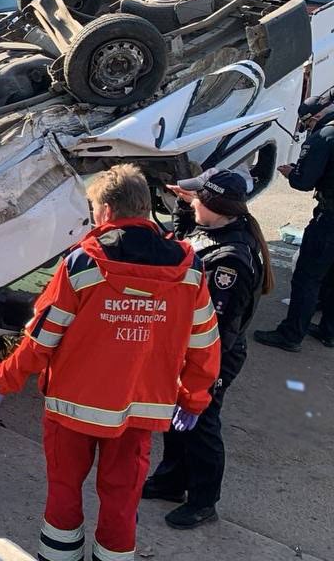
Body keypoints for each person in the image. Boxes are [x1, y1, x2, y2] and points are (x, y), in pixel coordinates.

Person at [0, 164, 220, 561]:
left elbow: (42, 337)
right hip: (138, 411)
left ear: (105, 211)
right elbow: (205, 343)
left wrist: (2, 379)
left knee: (65, 493)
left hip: (73, 408)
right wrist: (193, 399)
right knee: (122, 499)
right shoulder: (190, 269)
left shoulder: (82, 265)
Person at [143, 168, 272, 530]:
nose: (192, 201)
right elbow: (183, 240)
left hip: (211, 354)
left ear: (215, 205)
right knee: (175, 418)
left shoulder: (231, 258)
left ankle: (203, 501)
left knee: (201, 425)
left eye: (198, 197)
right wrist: (188, 206)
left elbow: (217, 326)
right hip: (187, 350)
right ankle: (171, 480)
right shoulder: (214, 229)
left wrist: (199, 372)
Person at [255, 91, 334, 352]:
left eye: (309, 123)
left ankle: (291, 334)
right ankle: (328, 331)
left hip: (330, 219)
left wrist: (291, 172)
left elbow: (303, 181)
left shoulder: (325, 135)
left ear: (318, 115)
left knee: (308, 277)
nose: (310, 128)